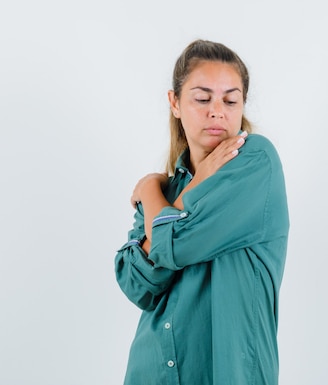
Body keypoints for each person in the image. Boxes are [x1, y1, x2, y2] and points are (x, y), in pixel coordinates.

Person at [114, 39, 290, 385]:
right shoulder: (169, 188)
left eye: (230, 99)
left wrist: (149, 192)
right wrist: (172, 191)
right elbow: (136, 285)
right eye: (202, 98)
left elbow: (173, 245)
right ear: (175, 103)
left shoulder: (255, 162)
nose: (217, 111)